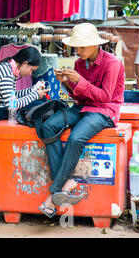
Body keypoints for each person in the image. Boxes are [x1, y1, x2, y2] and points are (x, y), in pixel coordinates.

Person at [38, 23, 125, 218]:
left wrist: (80, 81)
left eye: (82, 47)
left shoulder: (112, 63)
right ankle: (65, 182)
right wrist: (66, 82)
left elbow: (104, 97)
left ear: (95, 45)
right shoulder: (79, 63)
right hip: (83, 107)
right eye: (77, 47)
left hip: (105, 110)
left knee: (76, 138)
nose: (79, 51)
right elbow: (78, 98)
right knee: (48, 126)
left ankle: (54, 193)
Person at [0, 46, 49, 130]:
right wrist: (35, 95)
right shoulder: (6, 73)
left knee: (40, 102)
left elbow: (12, 95)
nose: (30, 73)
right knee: (37, 105)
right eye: (31, 69)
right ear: (25, 63)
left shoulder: (8, 69)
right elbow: (12, 105)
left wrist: (33, 89)